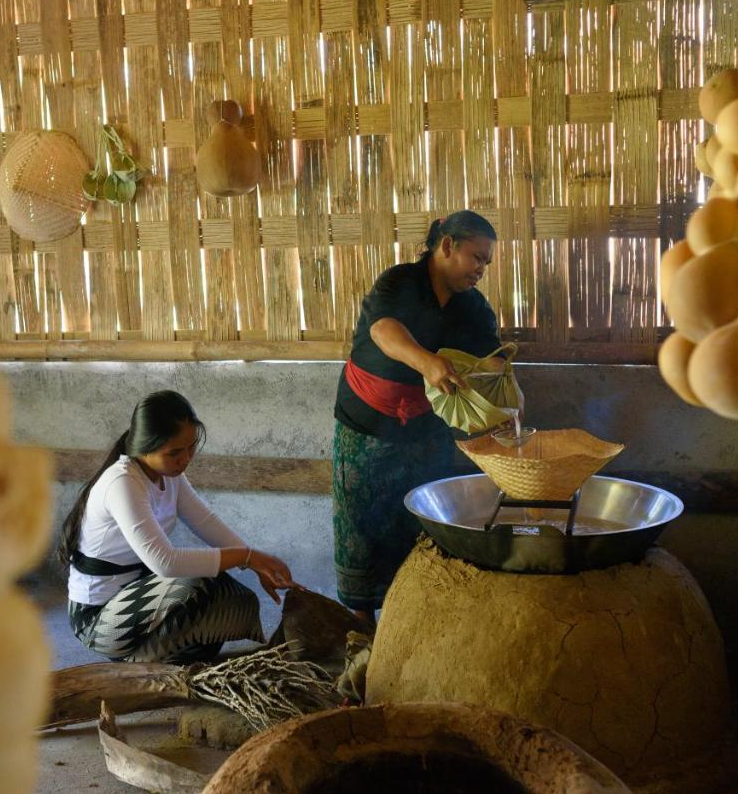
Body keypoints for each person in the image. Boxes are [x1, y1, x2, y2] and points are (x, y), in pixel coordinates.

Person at [332, 210, 503, 624]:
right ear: (447, 245)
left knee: (425, 522)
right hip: (366, 423)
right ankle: (361, 631)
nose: (482, 269)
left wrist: (500, 400)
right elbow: (383, 331)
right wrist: (427, 363)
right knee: (362, 526)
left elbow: (491, 362)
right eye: (477, 257)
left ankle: (414, 621)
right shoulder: (399, 282)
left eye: (487, 262)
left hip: (428, 427)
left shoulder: (473, 307)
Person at [60, 390, 296, 663]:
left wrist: (255, 563)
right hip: (97, 618)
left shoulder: (169, 474)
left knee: (231, 595)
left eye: (191, 447)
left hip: (137, 595)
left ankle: (160, 659)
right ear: (145, 447)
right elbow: (166, 564)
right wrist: (248, 556)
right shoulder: (122, 482)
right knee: (197, 584)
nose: (185, 459)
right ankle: (136, 665)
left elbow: (205, 522)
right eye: (174, 452)